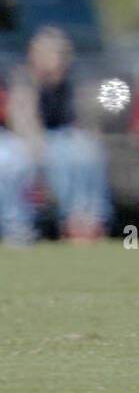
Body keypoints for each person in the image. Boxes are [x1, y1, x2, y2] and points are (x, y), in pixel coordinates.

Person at [4, 27, 111, 241]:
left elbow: (79, 121)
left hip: (60, 139)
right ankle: (57, 223)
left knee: (87, 152)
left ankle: (90, 219)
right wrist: (38, 151)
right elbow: (24, 124)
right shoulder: (24, 79)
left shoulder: (66, 82)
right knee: (56, 158)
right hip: (28, 141)